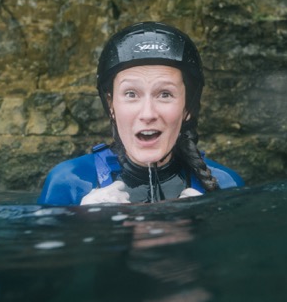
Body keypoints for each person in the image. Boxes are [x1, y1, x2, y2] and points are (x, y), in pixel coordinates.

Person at [38, 21, 243, 205]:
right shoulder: (68, 182)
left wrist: (204, 228)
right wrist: (89, 226)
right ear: (111, 105)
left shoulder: (226, 183)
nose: (147, 114)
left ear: (187, 107)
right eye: (131, 94)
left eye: (164, 94)